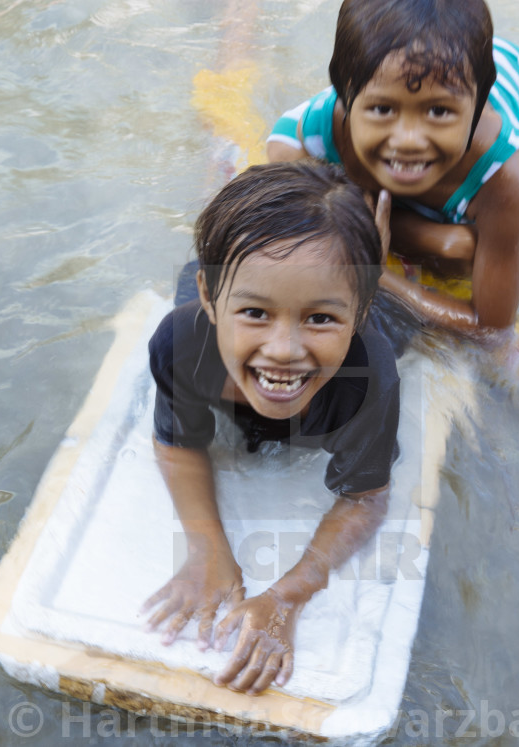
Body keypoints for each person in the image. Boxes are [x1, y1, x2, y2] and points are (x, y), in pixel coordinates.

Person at [142, 160, 400, 696]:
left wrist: (289, 596)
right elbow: (175, 444)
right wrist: (207, 547)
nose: (284, 350)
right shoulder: (181, 342)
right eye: (256, 314)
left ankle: (385, 224)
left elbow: (366, 497)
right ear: (210, 300)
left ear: (361, 309)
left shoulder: (368, 373)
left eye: (321, 319)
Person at [267, 0, 519, 334]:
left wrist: (374, 277)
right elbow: (281, 148)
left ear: (478, 107)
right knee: (451, 248)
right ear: (346, 97)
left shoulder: (501, 175)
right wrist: (436, 240)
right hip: (416, 68)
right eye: (382, 109)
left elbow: (490, 329)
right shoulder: (331, 124)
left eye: (438, 112)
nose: (408, 139)